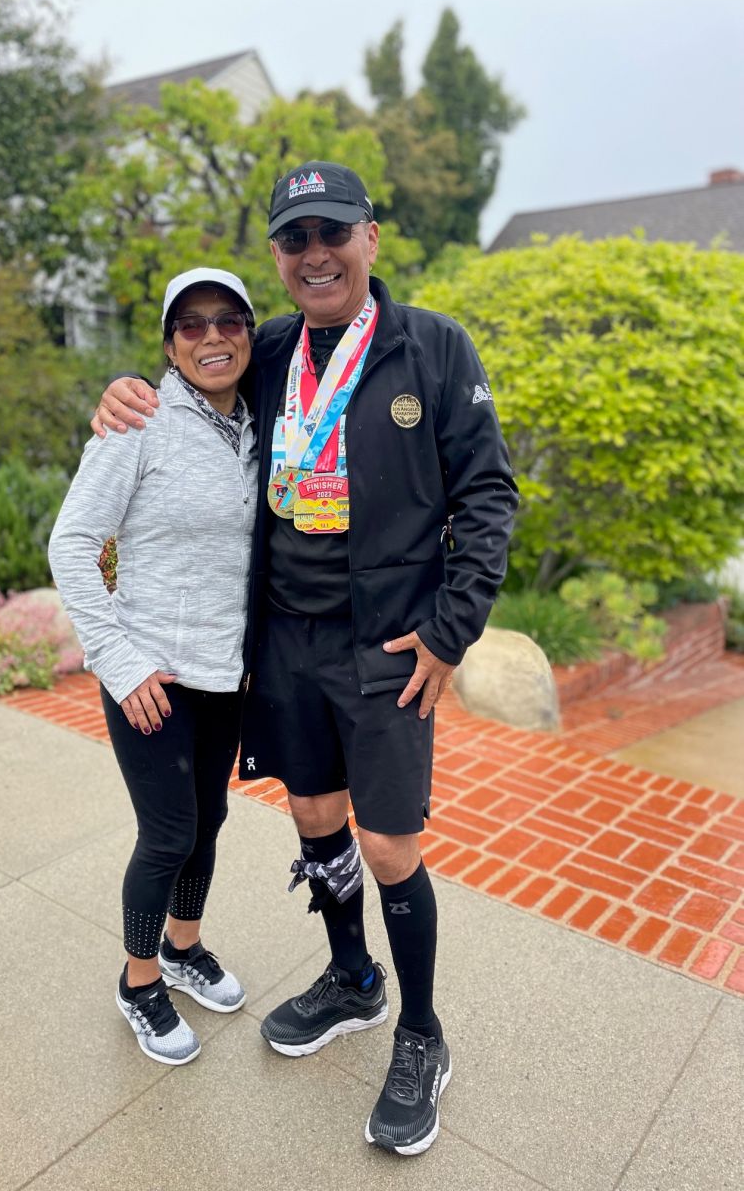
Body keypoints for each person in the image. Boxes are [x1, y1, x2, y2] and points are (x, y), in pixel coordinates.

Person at [93, 162, 518, 1152]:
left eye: (334, 231)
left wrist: (452, 630)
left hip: (387, 647)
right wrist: (114, 395)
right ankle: (352, 978)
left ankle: (421, 1031)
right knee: (317, 819)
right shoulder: (273, 349)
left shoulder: (433, 348)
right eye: (295, 238)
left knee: (388, 843)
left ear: (372, 237)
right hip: (285, 644)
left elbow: (489, 498)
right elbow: (183, 383)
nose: (315, 251)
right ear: (279, 258)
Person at [49, 268, 259, 1066]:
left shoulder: (260, 422)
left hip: (225, 674)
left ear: (248, 332)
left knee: (209, 821)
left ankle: (182, 947)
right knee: (168, 832)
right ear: (170, 345)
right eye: (192, 324)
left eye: (228, 320)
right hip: (151, 679)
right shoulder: (139, 422)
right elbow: (71, 542)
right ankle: (140, 983)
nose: (213, 336)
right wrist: (119, 661)